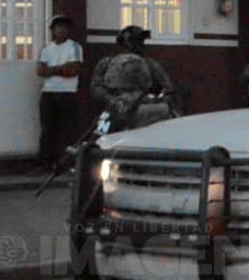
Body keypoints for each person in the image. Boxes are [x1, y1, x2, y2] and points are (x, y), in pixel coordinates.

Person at [91, 24, 174, 131]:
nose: (141, 44)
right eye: (138, 40)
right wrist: (113, 100)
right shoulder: (107, 63)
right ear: (127, 42)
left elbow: (168, 90)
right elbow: (96, 88)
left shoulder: (152, 65)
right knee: (99, 135)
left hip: (143, 113)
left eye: (141, 41)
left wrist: (151, 101)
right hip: (113, 111)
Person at [35, 13, 83, 169]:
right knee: (48, 130)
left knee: (71, 131)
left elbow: (73, 71)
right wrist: (62, 67)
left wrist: (51, 69)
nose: (61, 30)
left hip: (68, 93)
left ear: (69, 30)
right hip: (48, 93)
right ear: (52, 30)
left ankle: (71, 165)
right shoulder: (47, 49)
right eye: (58, 27)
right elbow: (40, 71)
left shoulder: (74, 47)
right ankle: (45, 164)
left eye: (65, 27)